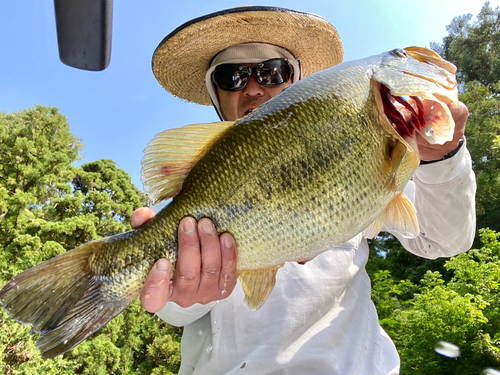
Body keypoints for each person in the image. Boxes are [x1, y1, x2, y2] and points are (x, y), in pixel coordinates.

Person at [131, 6, 476, 375]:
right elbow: (172, 310)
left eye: (272, 72)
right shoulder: (194, 186)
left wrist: (445, 158)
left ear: (296, 82)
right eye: (232, 77)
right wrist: (182, 289)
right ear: (216, 96)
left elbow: (443, 241)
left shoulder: (351, 159)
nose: (252, 87)